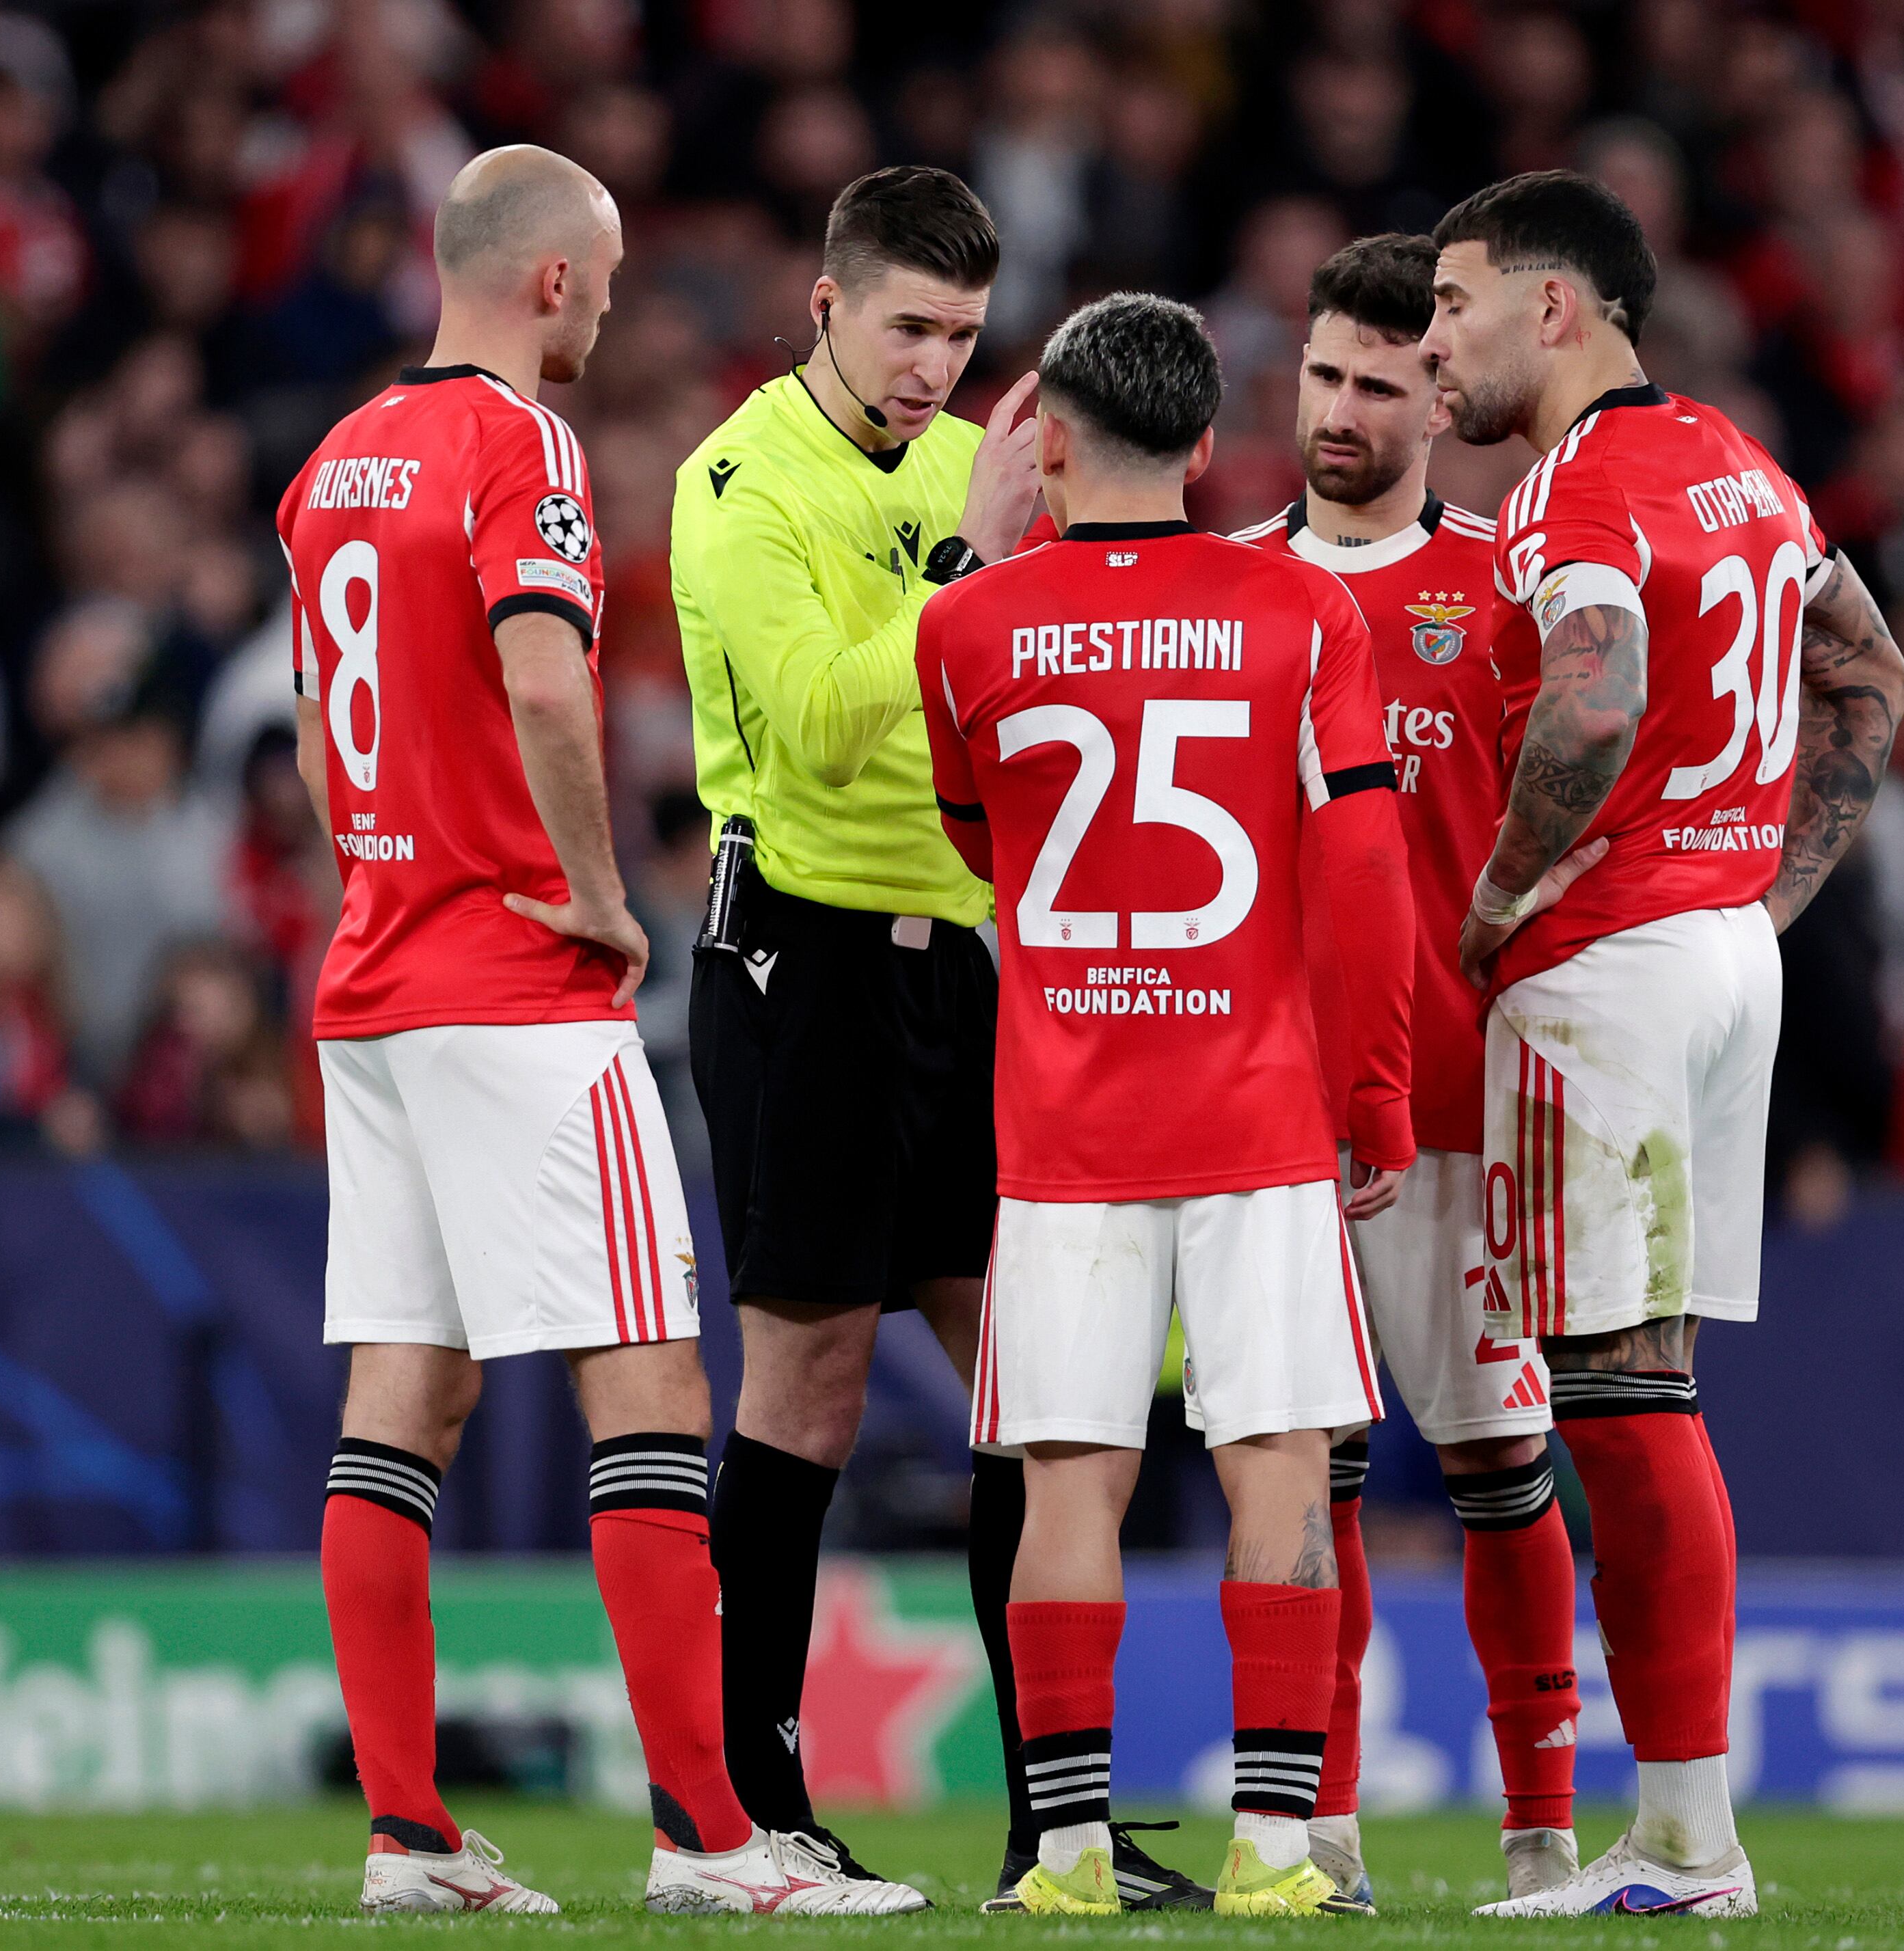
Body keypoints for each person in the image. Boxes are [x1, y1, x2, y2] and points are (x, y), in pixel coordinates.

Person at [279, 144, 904, 1919]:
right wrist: (600, 893)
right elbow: (547, 675)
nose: (614, 307)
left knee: (402, 1395)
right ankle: (712, 1838)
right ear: (550, 279)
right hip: (512, 981)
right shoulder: (517, 443)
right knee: (647, 1379)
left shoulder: (334, 461)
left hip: (377, 981)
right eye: (608, 277)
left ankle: (408, 1833)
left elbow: (327, 738)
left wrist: (391, 869)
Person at [1422, 172, 1904, 1920]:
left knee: (1616, 1404)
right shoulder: (1744, 464)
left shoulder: (1575, 485)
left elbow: (1597, 689)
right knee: (1647, 1390)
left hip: (1605, 964)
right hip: (1714, 955)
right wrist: (1763, 895)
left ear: (1554, 309)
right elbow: (1874, 673)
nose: (1433, 345)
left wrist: (1496, 897)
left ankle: (1689, 1845)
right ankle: (1678, 1829)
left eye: (1455, 306)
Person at [668, 167, 1150, 1907]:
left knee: (1036, 1384)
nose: (935, 367)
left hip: (961, 960)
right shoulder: (737, 483)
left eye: (961, 334)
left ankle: (1057, 1828)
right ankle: (748, 1810)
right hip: (798, 955)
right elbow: (805, 730)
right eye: (906, 327)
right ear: (824, 302)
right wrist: (973, 557)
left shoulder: (971, 469)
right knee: (804, 1385)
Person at [916, 291, 1415, 1919]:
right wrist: (1375, 1090)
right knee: (1277, 1464)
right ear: (1210, 446)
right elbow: (1359, 868)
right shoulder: (1297, 617)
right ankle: (1278, 1849)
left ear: (1045, 438)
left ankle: (1063, 1856)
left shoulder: (962, 629)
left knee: (1071, 1488)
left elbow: (982, 844)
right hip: (1258, 1113)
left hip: (1063, 1131)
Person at [1228, 233, 1581, 1905]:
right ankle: (1325, 1821)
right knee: (1320, 1467)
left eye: (1381, 381)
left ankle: (1540, 1825)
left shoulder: (1506, 584)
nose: (1343, 411)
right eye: (1324, 377)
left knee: (1501, 1465)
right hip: (1274, 1113)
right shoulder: (1226, 588)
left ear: (1440, 395)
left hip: (1462, 1102)